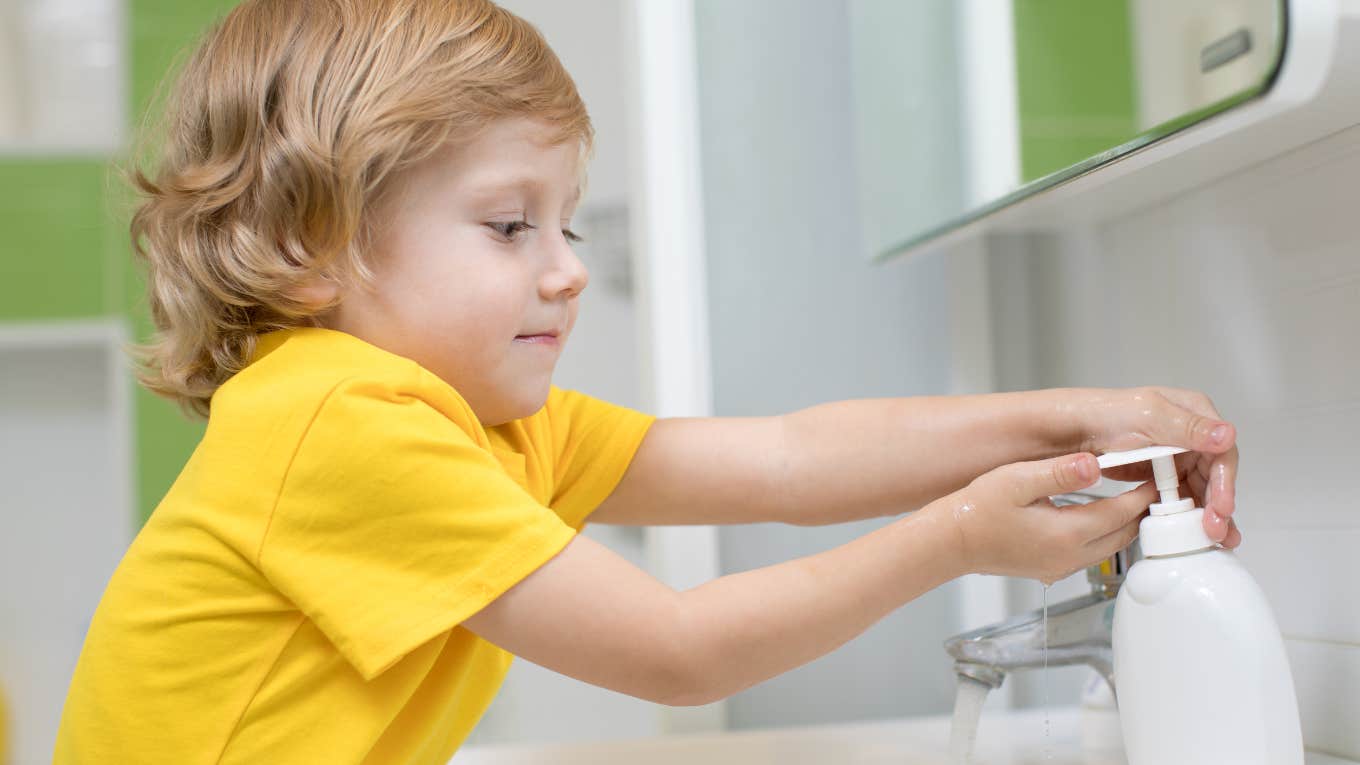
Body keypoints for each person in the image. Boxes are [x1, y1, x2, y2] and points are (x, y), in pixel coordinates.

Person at [53, 1, 1241, 762]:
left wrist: (1075, 421)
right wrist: (957, 542)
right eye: (510, 225)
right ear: (315, 249)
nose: (567, 272)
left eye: (563, 224)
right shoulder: (333, 421)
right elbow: (677, 651)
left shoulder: (473, 425)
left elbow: (786, 460)